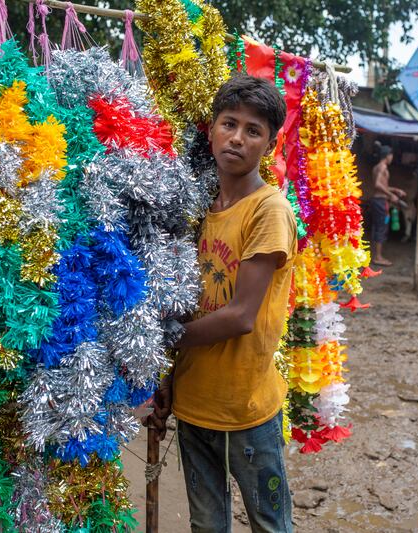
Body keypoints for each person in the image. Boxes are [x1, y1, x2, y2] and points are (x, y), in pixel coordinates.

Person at [145, 74, 296, 533]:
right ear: (210, 129)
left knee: (270, 525)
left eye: (254, 131)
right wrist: (167, 376)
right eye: (229, 123)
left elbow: (240, 317)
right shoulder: (196, 210)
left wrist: (154, 341)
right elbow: (183, 306)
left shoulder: (268, 211)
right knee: (206, 526)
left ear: (268, 146)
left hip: (245, 412)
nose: (237, 138)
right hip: (194, 406)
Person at [370, 145, 406, 266]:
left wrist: (395, 190)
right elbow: (378, 184)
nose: (392, 158)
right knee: (381, 228)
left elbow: (381, 185)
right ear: (388, 156)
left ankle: (376, 255)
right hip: (381, 201)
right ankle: (378, 257)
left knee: (378, 227)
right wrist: (391, 195)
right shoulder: (383, 167)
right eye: (391, 156)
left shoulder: (376, 167)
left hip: (377, 200)